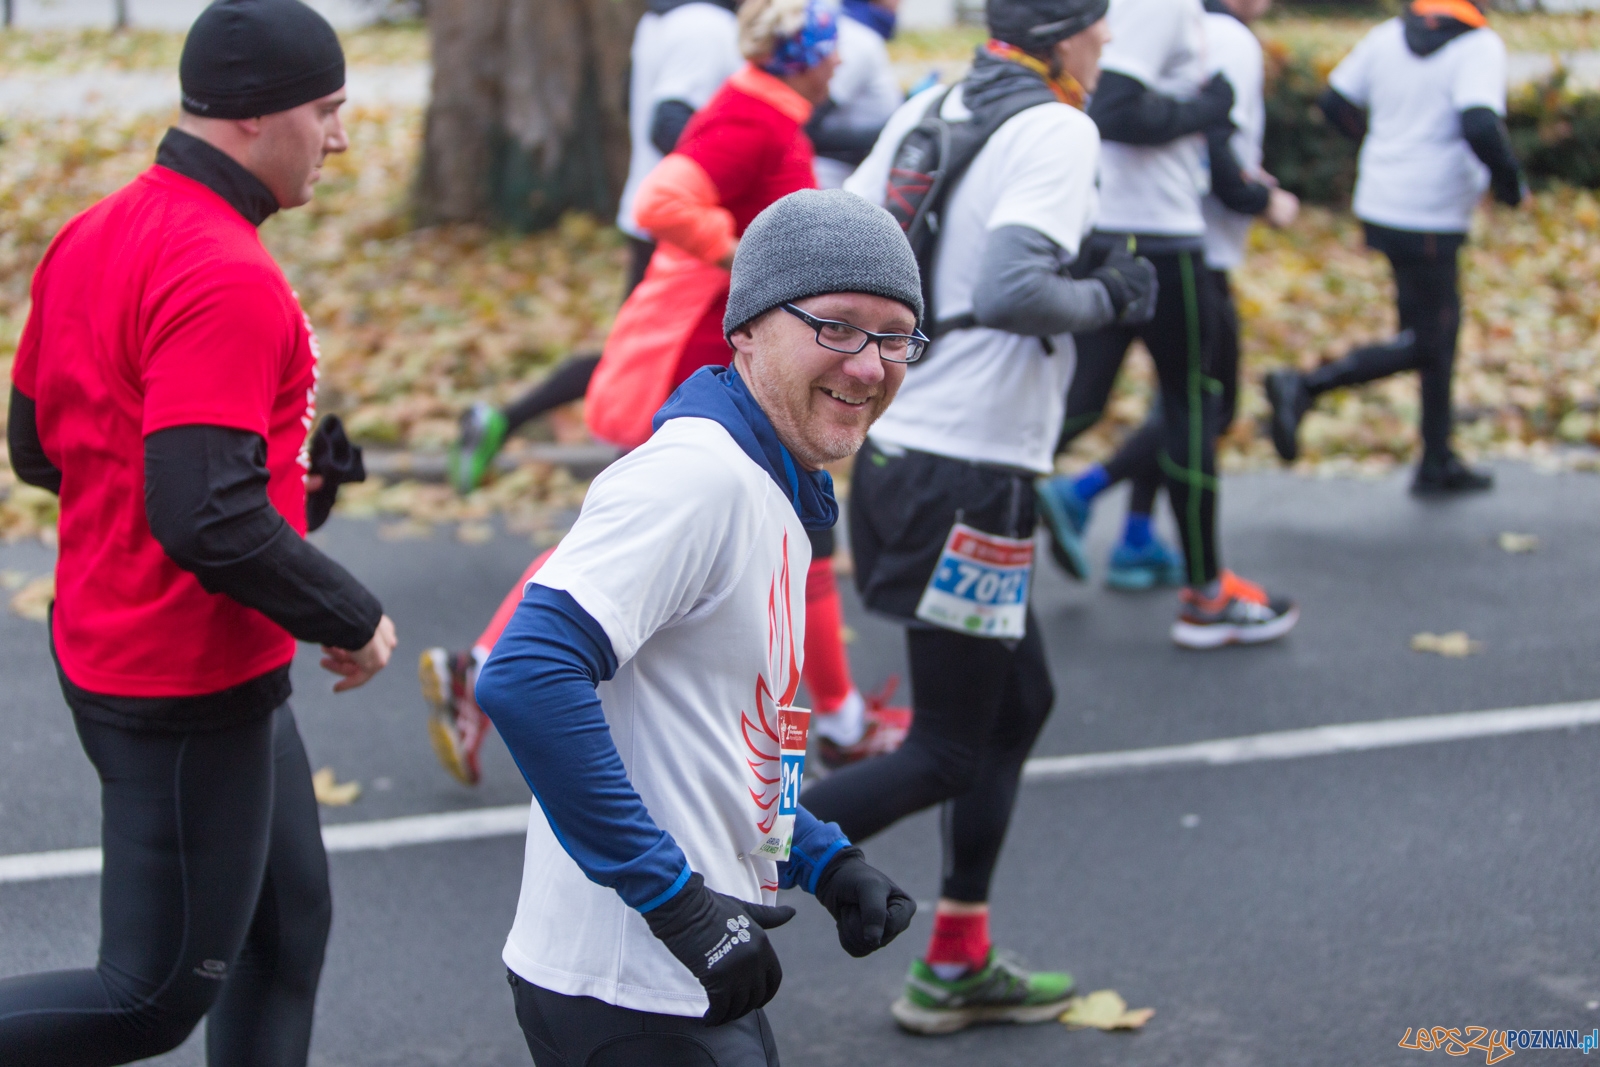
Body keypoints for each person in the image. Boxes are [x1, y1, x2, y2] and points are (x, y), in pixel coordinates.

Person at [0, 2, 397, 1063]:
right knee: (151, 994)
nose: (340, 136)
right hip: (181, 682)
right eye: (329, 110)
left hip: (161, 649)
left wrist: (286, 492)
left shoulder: (96, 230)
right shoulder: (223, 270)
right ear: (259, 118)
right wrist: (350, 612)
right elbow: (200, 513)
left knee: (283, 927)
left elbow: (44, 447)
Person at [472, 189, 920, 1067]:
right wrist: (676, 899)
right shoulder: (695, 478)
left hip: (688, 968)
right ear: (746, 328)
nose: (868, 365)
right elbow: (523, 675)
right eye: (835, 327)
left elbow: (731, 723)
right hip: (630, 983)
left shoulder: (777, 483)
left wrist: (823, 858)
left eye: (894, 335)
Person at [424, 0, 910, 785]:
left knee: (779, 532)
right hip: (714, 356)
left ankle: (482, 665)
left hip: (750, 353)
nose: (841, 64)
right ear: (804, 53)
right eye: (829, 48)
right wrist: (760, 266)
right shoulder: (753, 114)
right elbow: (662, 201)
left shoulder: (770, 110)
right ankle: (837, 725)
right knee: (724, 532)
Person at [810, 0, 1154, 1034]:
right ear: (1063, 35)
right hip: (971, 481)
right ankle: (707, 863)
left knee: (1016, 701)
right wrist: (1108, 294)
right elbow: (1012, 288)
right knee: (952, 747)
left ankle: (958, 956)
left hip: (909, 457)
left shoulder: (939, 102)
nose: (1107, 44)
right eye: (1099, 24)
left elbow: (838, 242)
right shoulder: (1055, 124)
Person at [1031, 0, 1298, 648]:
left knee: (1081, 404)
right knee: (1195, 408)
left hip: (1106, 228)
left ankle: (953, 534)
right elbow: (1117, 109)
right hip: (1164, 237)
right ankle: (1206, 595)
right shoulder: (1173, 6)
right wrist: (1210, 110)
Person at [450, 0, 744, 495]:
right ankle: (622, 486)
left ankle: (508, 423)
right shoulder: (704, 25)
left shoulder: (663, 17)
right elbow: (667, 118)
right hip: (679, 228)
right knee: (645, 365)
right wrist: (726, 171)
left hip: (656, 215)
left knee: (635, 360)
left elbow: (630, 95)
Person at [1264, 0, 1523, 494]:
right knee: (1432, 338)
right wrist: (1511, 186)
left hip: (1383, 199)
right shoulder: (1479, 44)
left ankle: (1437, 457)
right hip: (1432, 209)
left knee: (1428, 330)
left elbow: (1334, 101)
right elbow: (1480, 123)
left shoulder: (1388, 35)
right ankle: (1306, 386)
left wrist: (1381, 142)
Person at [809, 0, 904, 190]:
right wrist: (892, 134)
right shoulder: (854, 39)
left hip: (847, 172)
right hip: (832, 176)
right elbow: (808, 125)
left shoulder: (861, 33)